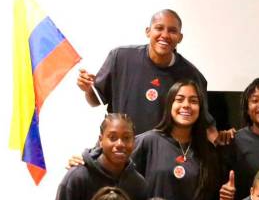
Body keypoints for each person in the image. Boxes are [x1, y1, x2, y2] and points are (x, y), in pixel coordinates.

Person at [76, 9, 220, 141]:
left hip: (160, 158)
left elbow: (205, 125)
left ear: (180, 37)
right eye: (159, 28)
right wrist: (88, 88)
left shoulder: (191, 75)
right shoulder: (120, 57)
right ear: (148, 31)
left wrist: (225, 140)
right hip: (120, 150)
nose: (165, 35)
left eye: (172, 31)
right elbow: (95, 100)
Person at [132, 80, 233, 200]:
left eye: (193, 101)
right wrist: (88, 157)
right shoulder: (148, 141)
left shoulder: (209, 152)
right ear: (169, 105)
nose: (186, 105)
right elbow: (115, 163)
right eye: (180, 99)